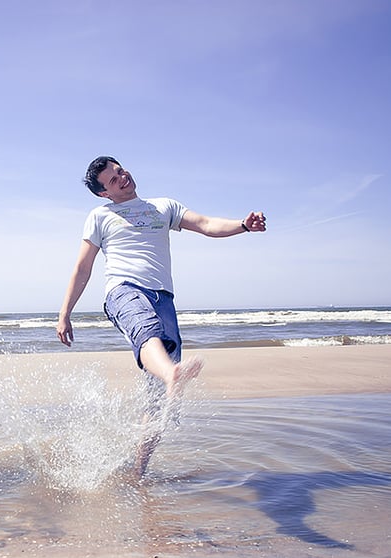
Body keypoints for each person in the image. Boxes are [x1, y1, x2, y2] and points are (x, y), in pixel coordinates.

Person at [56, 156, 266, 478]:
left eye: (120, 170)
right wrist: (64, 313)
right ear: (104, 193)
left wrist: (242, 225)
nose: (122, 177)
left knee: (154, 403)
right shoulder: (100, 216)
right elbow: (83, 268)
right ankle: (173, 374)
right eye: (113, 180)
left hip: (163, 300)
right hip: (123, 290)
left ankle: (139, 470)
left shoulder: (163, 207)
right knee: (145, 330)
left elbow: (206, 225)